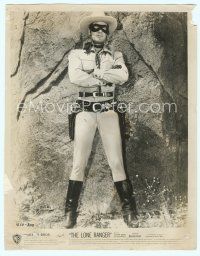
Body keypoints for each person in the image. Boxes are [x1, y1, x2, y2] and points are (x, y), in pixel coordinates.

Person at [65, 12, 138, 228]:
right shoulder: (76, 54)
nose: (99, 32)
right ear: (90, 32)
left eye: (104, 29)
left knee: (116, 161)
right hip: (85, 111)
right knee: (78, 162)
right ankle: (70, 210)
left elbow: (122, 77)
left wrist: (94, 73)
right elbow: (75, 77)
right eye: (95, 28)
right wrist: (104, 73)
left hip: (108, 110)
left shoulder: (116, 55)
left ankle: (129, 209)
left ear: (107, 34)